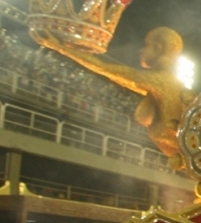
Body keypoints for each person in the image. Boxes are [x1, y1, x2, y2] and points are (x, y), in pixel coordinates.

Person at [32, 26, 190, 156]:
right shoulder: (175, 86)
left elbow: (104, 68)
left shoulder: (161, 80)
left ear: (159, 47)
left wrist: (58, 47)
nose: (141, 50)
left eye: (146, 44)